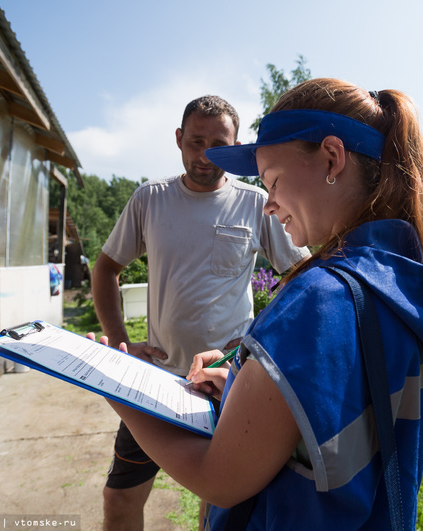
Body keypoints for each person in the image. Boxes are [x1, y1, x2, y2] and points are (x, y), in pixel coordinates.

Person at [99, 78, 423, 530]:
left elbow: (219, 479)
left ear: (332, 158)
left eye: (274, 181)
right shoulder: (393, 278)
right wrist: (250, 381)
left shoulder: (316, 300)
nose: (268, 205)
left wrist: (116, 386)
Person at [91, 95, 310, 530]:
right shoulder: (149, 200)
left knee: (217, 505)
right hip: (155, 382)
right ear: (178, 140)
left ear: (234, 146)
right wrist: (120, 344)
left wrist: (256, 340)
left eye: (217, 144)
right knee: (119, 500)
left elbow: (301, 277)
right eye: (195, 142)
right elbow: (106, 269)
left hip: (225, 388)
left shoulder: (254, 203)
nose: (205, 154)